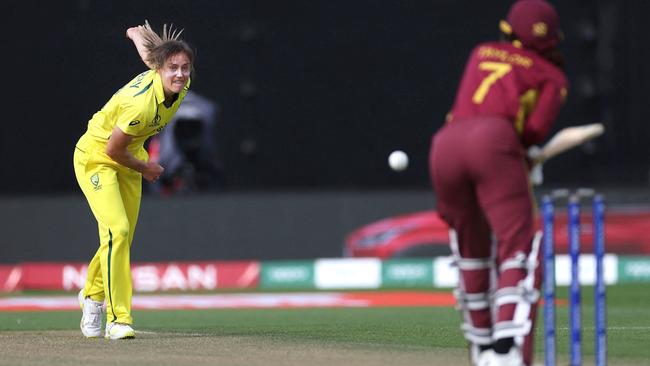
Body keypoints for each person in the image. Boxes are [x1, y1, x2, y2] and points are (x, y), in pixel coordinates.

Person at [429, 1, 567, 365]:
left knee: (471, 247)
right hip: (494, 142)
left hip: (445, 143)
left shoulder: (481, 52)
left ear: (508, 29)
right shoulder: (552, 76)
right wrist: (523, 154)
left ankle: (482, 346)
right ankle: (506, 351)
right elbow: (534, 130)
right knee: (518, 246)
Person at [73, 21, 194, 339]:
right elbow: (113, 149)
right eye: (173, 69)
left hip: (130, 158)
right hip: (97, 158)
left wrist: (136, 34)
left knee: (119, 237)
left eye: (184, 68)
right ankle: (118, 320)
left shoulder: (179, 81)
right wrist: (146, 168)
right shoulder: (139, 104)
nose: (179, 74)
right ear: (160, 71)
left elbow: (154, 57)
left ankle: (92, 295)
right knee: (118, 231)